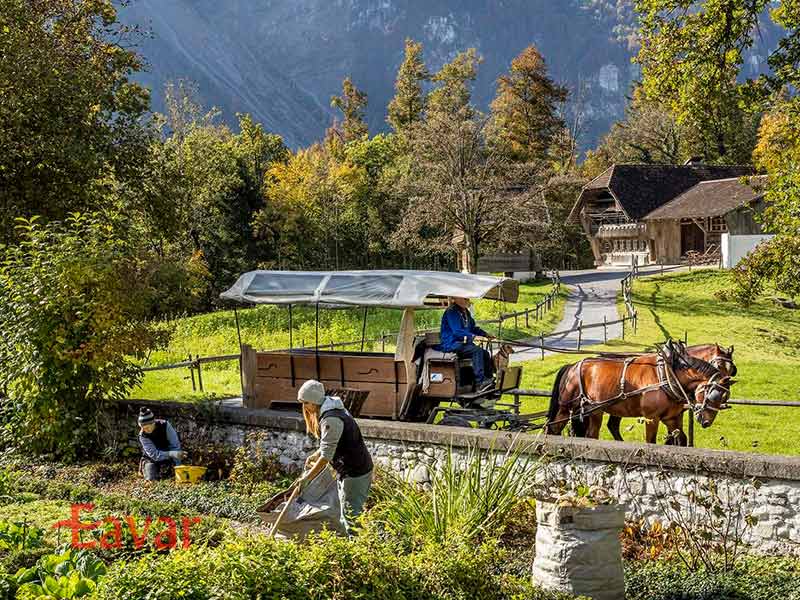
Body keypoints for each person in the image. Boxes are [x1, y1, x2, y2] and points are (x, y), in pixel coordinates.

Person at [295, 380, 373, 534]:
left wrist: (307, 479)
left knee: (351, 517)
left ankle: (358, 552)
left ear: (314, 401)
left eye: (305, 402)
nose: (304, 407)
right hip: (349, 470)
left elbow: (326, 456)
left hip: (354, 472)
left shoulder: (331, 419)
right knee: (346, 514)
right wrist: (315, 454)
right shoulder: (332, 409)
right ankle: (352, 548)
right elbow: (330, 444)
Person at [437, 296, 495, 391]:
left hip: (462, 344)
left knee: (485, 353)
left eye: (467, 298)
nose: (468, 300)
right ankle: (480, 382)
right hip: (452, 344)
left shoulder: (465, 312)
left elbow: (473, 328)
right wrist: (473, 337)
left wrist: (486, 334)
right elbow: (457, 331)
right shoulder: (451, 311)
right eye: (465, 299)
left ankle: (489, 379)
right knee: (477, 351)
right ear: (456, 299)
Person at [137, 407, 184, 481]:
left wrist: (178, 466)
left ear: (154, 423)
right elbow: (155, 455)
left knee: (171, 476)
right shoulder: (143, 435)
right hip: (151, 459)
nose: (146, 430)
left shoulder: (165, 425)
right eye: (143, 428)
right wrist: (171, 454)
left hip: (168, 456)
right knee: (151, 479)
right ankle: (143, 467)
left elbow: (175, 446)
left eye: (148, 427)